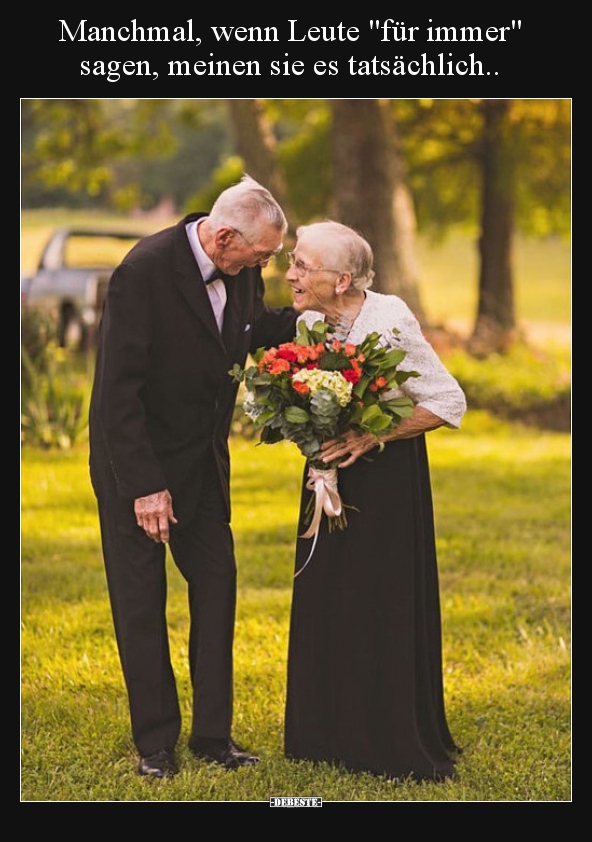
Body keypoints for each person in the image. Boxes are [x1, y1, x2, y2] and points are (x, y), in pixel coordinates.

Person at [89, 175, 297, 778]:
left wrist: (323, 319)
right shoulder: (144, 270)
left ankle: (213, 737)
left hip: (201, 467)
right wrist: (144, 486)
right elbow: (116, 396)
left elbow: (249, 330)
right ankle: (156, 744)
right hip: (138, 468)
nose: (267, 264)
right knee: (140, 604)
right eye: (262, 255)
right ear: (226, 236)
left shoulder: (242, 266)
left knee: (217, 587)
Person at [283, 220, 467, 783]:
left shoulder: (390, 319)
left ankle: (387, 736)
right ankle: (324, 734)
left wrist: (373, 436)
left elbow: (446, 399)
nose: (290, 273)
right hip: (328, 474)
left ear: (342, 280)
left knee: (380, 601)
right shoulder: (309, 321)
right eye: (292, 261)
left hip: (387, 480)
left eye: (302, 265)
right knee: (327, 597)